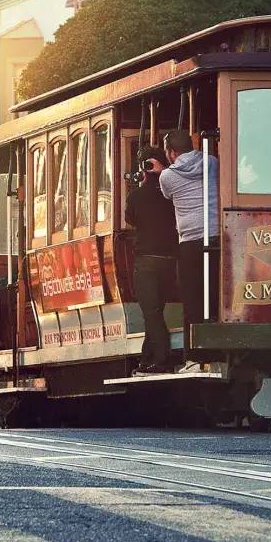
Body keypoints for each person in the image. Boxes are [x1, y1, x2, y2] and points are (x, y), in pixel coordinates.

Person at [158, 130, 219, 372]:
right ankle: (220, 351)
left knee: (192, 301)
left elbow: (167, 195)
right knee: (216, 297)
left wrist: (161, 168)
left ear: (171, 152)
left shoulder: (167, 176)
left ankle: (194, 357)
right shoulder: (212, 163)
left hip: (191, 242)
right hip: (217, 236)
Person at [124, 146, 179, 375]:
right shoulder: (173, 192)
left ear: (144, 167)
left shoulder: (137, 195)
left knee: (151, 312)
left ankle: (163, 360)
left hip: (146, 261)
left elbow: (131, 220)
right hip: (170, 260)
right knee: (154, 312)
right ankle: (147, 358)